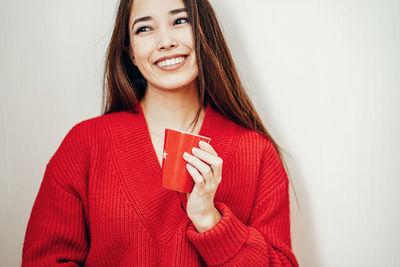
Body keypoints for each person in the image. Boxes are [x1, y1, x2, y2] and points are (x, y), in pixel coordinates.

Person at [22, 0, 299, 266]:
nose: (165, 41)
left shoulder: (258, 154)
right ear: (130, 51)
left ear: (204, 32)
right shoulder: (84, 145)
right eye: (144, 28)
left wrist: (210, 221)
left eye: (180, 20)